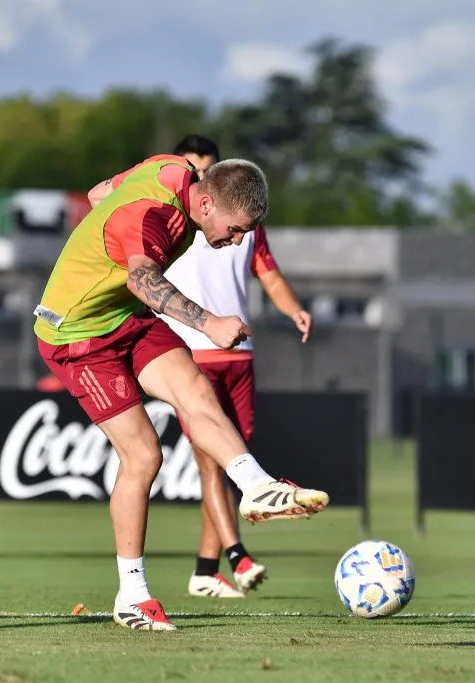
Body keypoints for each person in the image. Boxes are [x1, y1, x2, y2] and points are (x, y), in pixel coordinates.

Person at [36, 153, 328, 631]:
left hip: (123, 316)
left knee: (195, 390)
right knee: (144, 456)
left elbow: (98, 195)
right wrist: (209, 322)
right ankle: (132, 595)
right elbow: (142, 279)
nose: (235, 241)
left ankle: (258, 487)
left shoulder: (172, 167)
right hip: (77, 333)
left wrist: (101, 243)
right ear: (207, 203)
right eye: (235, 231)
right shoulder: (157, 215)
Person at [89, 135, 313, 599]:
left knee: (221, 441)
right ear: (204, 197)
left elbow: (268, 275)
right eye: (193, 169)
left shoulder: (228, 215)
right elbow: (138, 270)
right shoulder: (167, 213)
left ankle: (218, 549)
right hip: (154, 337)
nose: (235, 240)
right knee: (177, 460)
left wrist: (293, 310)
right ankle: (225, 558)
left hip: (215, 344)